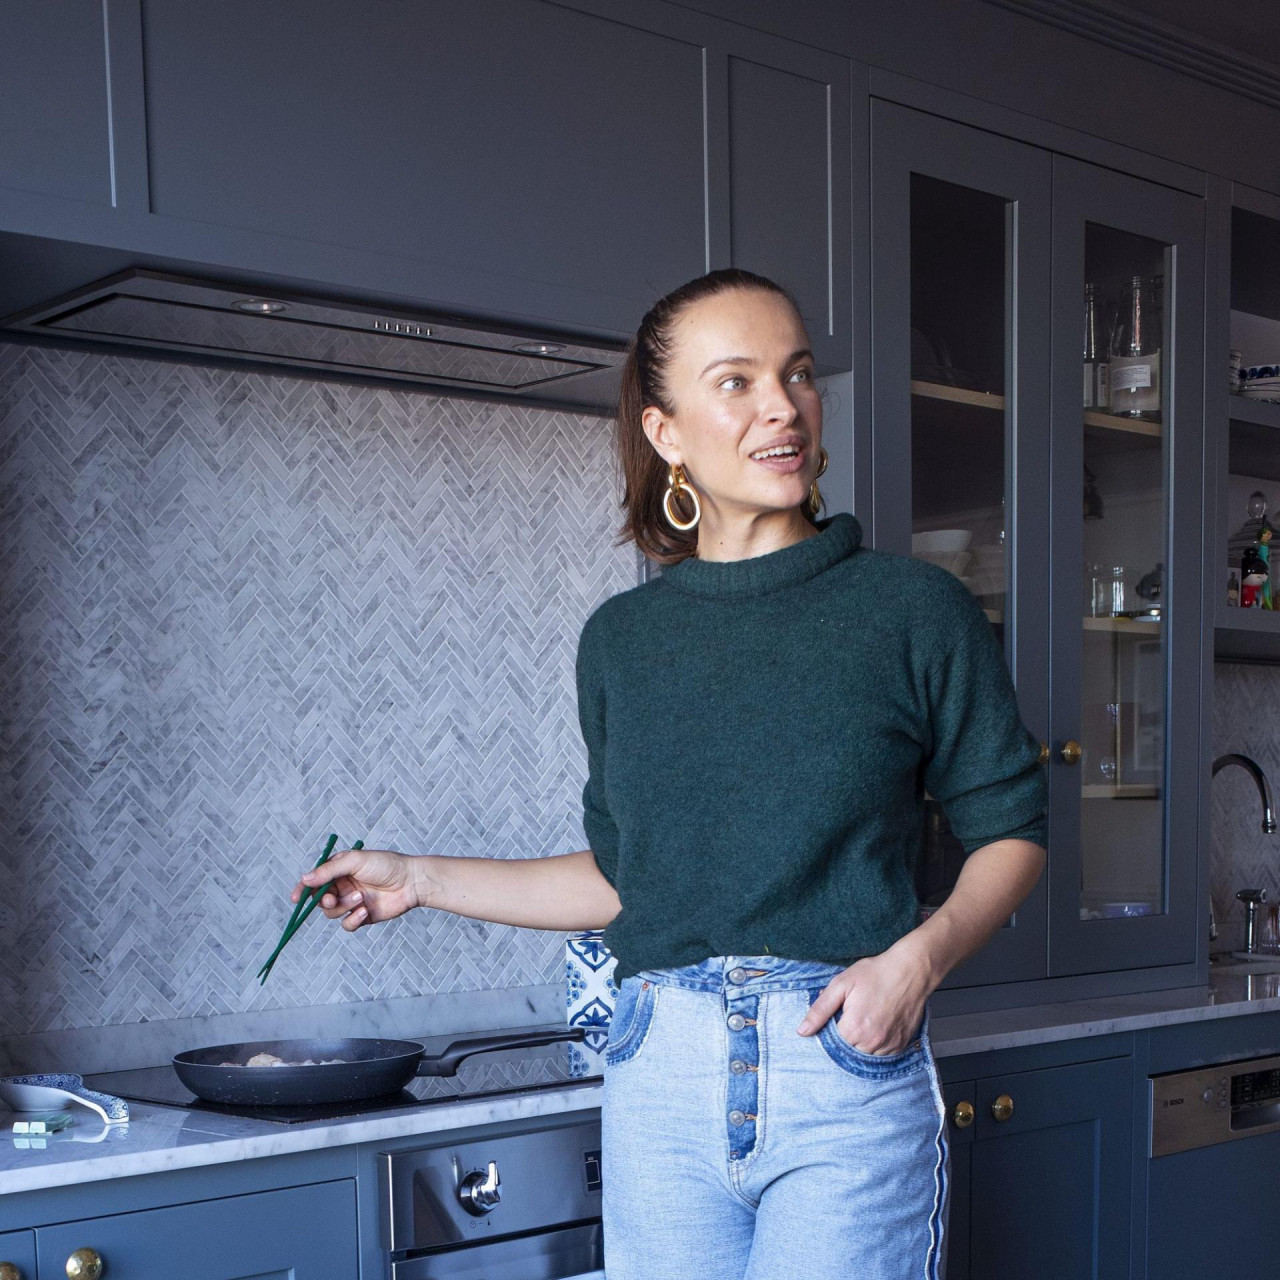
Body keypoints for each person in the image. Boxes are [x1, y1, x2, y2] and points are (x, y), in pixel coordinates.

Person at [290, 268, 1048, 1280]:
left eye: (796, 374)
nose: (782, 406)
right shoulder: (622, 641)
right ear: (665, 432)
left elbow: (1012, 831)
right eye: (735, 382)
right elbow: (627, 881)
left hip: (839, 1063)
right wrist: (417, 878)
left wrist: (915, 963)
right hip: (657, 1071)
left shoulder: (911, 611)